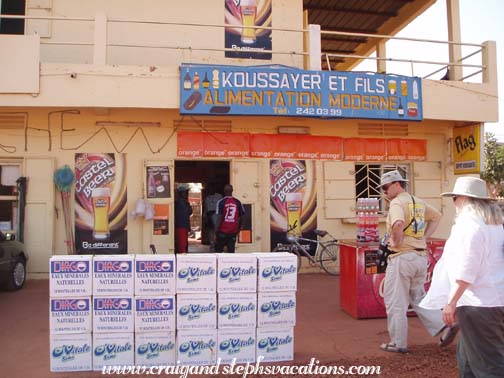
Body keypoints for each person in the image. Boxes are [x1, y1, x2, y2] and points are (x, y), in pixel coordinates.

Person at [420, 177, 504, 377]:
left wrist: (451, 301)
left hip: (478, 305)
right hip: (488, 300)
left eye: (455, 198)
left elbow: (468, 269)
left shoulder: (470, 226)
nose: (455, 203)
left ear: (465, 199)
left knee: (489, 366)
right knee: (467, 362)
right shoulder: (494, 225)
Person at [378, 170, 458, 353]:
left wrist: (396, 242)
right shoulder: (417, 202)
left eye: (385, 187)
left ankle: (398, 343)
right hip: (420, 257)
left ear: (397, 185)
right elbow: (437, 216)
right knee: (419, 298)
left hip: (401, 258)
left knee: (396, 302)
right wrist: (424, 238)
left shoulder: (397, 203)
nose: (384, 192)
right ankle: (445, 325)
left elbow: (398, 223)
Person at [214, 184, 244, 253]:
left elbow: (219, 218)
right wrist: (239, 229)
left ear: (224, 191)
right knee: (231, 252)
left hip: (222, 232)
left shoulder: (220, 202)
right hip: (233, 232)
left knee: (219, 251)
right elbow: (242, 217)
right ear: (232, 191)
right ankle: (231, 264)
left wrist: (215, 232)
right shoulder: (238, 202)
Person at [203, 183, 223, 251]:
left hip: (217, 216)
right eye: (209, 189)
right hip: (209, 216)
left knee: (217, 230)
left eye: (211, 188)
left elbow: (222, 207)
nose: (210, 190)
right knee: (211, 231)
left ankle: (218, 244)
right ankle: (212, 244)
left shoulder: (219, 196)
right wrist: (205, 216)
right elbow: (206, 208)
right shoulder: (207, 198)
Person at [174, 184, 192, 254]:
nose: (187, 194)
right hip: (181, 226)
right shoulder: (179, 203)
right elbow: (189, 211)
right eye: (186, 192)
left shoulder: (184, 202)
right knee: (182, 246)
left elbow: (190, 212)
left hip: (183, 225)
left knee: (184, 244)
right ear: (181, 193)